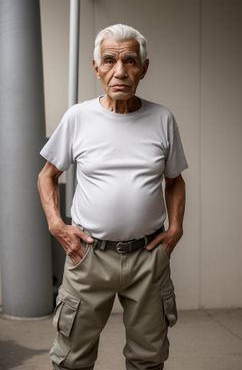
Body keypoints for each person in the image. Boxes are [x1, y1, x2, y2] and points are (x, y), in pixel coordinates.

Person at [38, 23, 188, 370]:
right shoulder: (78, 118)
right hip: (89, 255)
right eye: (109, 60)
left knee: (148, 359)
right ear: (97, 67)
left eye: (131, 61)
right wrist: (58, 226)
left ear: (144, 68)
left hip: (147, 257)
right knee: (72, 358)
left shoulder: (162, 119)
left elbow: (175, 180)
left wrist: (176, 228)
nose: (120, 71)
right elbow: (48, 176)